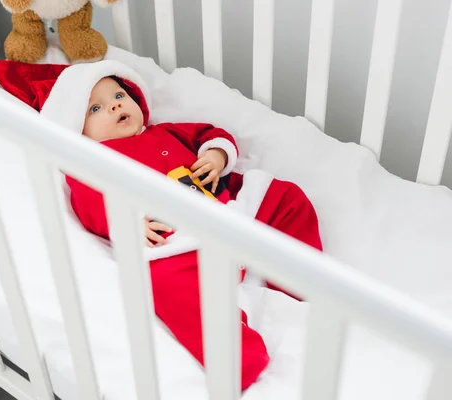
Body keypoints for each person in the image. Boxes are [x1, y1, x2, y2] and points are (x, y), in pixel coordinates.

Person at [40, 60, 323, 391]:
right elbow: (90, 204)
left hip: (229, 208)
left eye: (118, 94)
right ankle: (236, 357)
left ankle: (298, 282)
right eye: (96, 108)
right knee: (171, 291)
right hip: (178, 241)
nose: (115, 104)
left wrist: (217, 154)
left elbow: (208, 133)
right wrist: (126, 224)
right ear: (79, 130)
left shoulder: (167, 131)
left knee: (286, 198)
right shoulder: (93, 164)